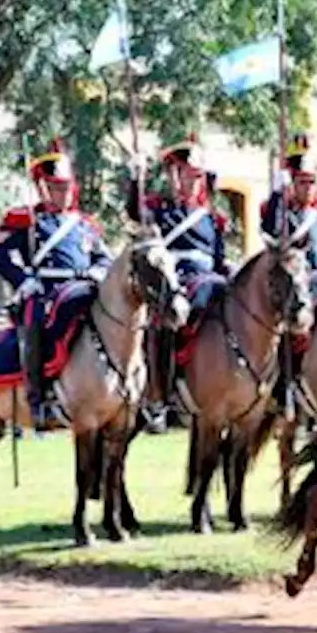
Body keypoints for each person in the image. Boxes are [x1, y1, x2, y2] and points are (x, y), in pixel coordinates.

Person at [0, 137, 112, 431]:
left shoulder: (84, 225)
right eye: (56, 187)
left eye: (66, 186)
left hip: (85, 289)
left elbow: (105, 259)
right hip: (43, 291)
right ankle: (37, 397)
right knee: (35, 324)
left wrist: (96, 273)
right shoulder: (26, 220)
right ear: (43, 187)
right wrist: (22, 279)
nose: (64, 193)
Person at [128, 133, 229, 429]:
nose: (194, 183)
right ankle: (161, 394)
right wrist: (136, 178)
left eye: (197, 177)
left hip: (211, 278)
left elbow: (219, 258)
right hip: (177, 279)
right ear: (173, 175)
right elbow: (135, 213)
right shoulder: (159, 210)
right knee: (166, 320)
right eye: (188, 176)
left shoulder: (211, 217)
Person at [261, 133, 317, 305]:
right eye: (302, 182)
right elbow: (271, 231)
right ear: (292, 185)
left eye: (312, 182)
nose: (308, 187)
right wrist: (278, 194)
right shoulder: (282, 215)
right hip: (293, 291)